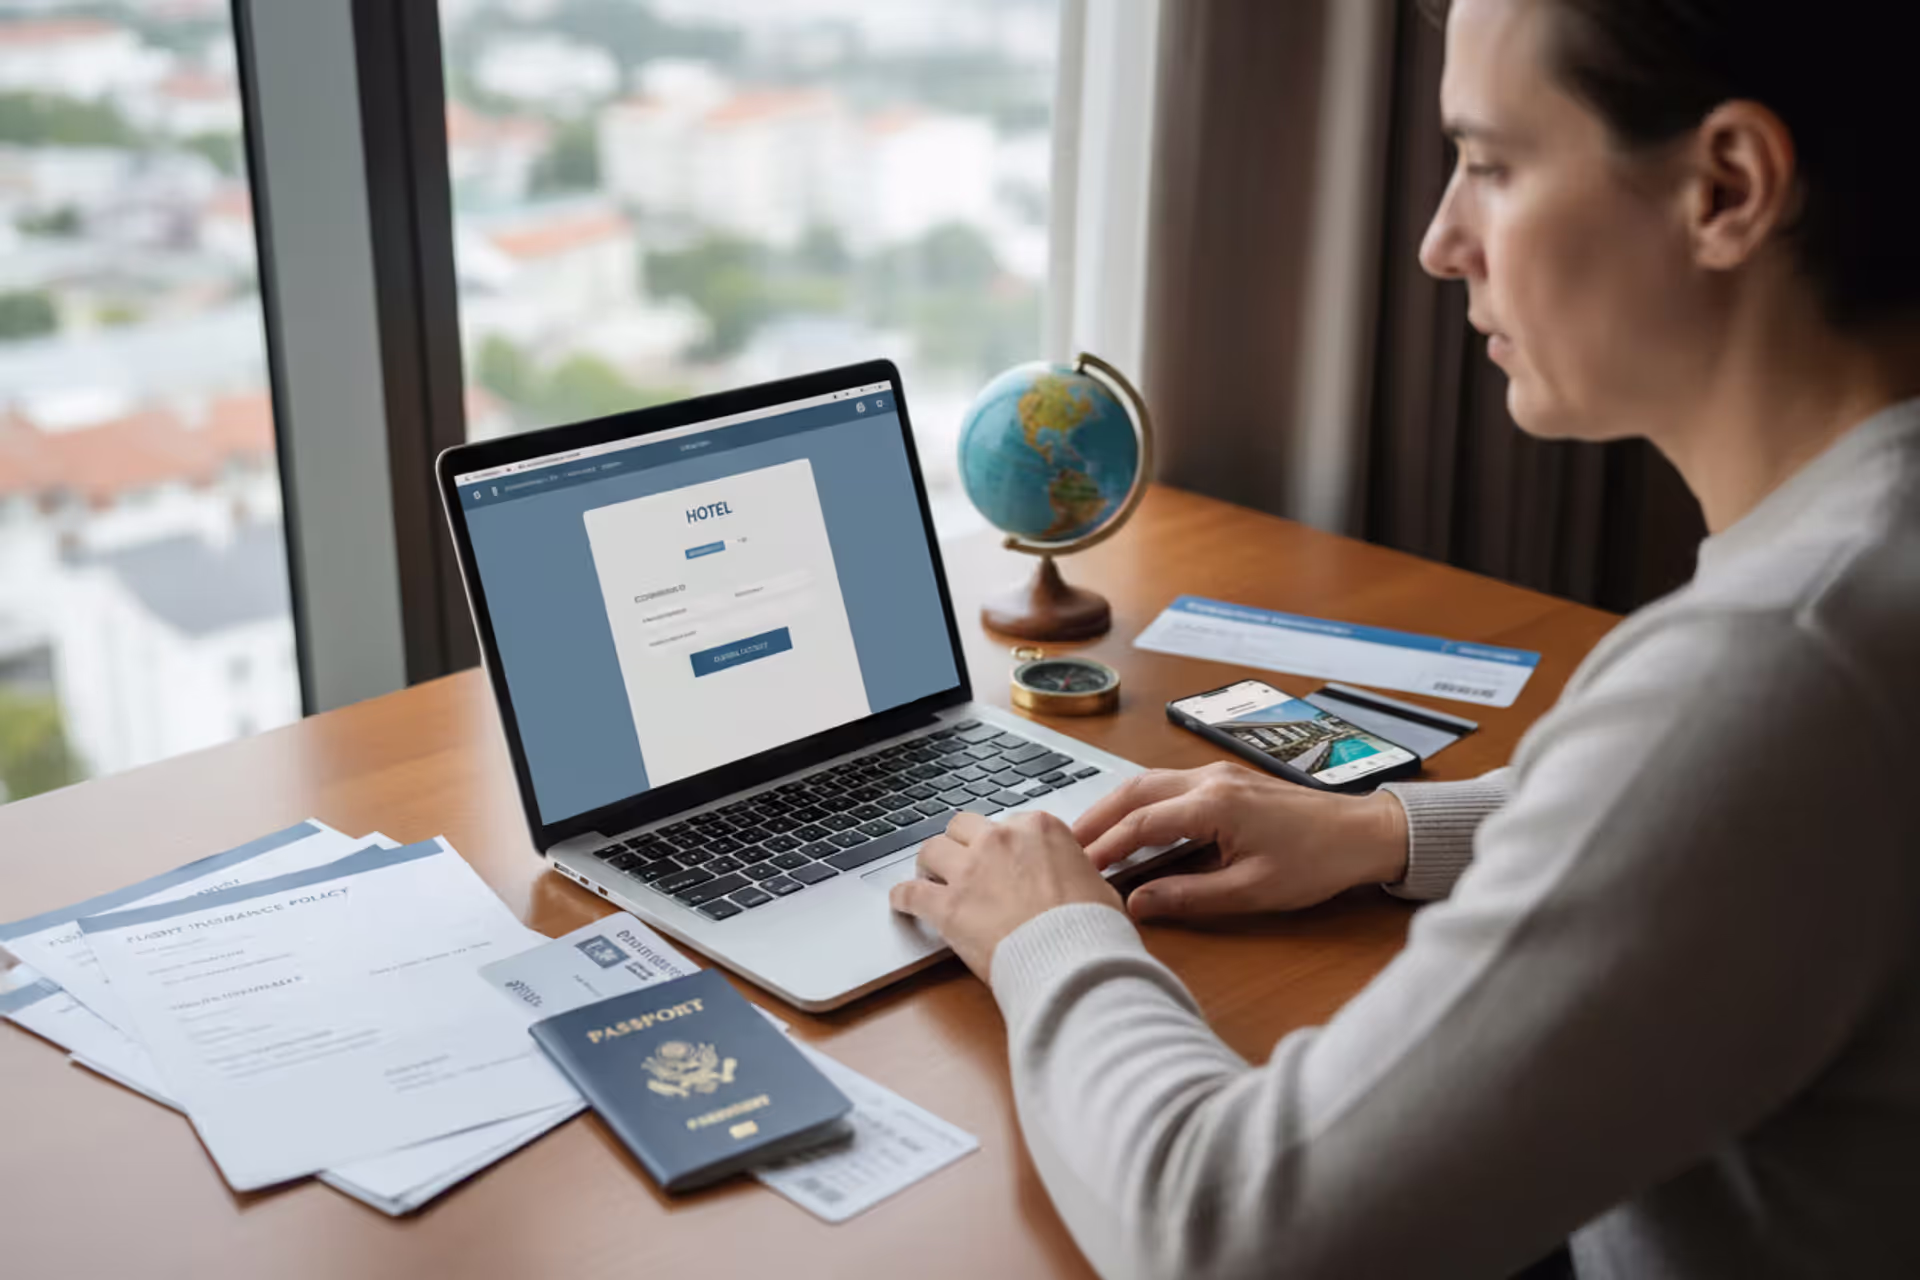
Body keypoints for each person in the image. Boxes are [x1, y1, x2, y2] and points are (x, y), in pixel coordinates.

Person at [887, 0, 1920, 1276]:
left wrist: (1048, 929)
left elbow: (1229, 1235)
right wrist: (1385, 830)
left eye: (1489, 164)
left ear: (1725, 188)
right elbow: (1769, 830)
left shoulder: (1779, 664)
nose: (1439, 242)